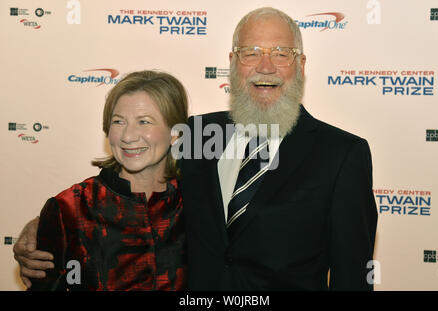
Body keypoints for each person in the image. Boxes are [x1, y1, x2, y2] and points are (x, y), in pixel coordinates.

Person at [14, 7, 377, 291]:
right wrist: (45, 227)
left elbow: (351, 279)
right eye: (251, 53)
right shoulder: (197, 133)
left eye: (281, 53)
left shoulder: (341, 155)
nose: (265, 66)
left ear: (300, 65)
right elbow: (128, 183)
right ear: (233, 64)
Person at [21, 70, 189, 290]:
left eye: (144, 122)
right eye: (118, 121)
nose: (128, 136)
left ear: (175, 132)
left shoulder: (198, 201)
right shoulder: (70, 208)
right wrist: (43, 223)